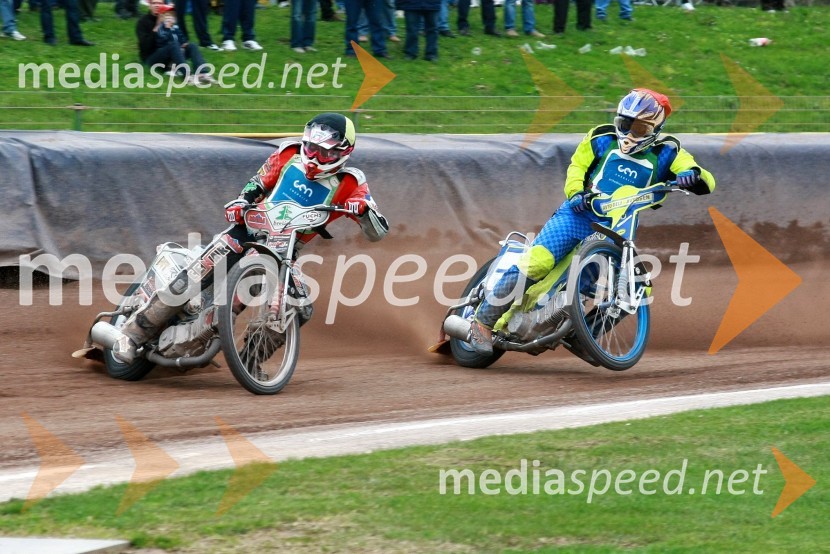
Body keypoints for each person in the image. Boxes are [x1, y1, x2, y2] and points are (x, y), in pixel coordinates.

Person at [112, 113, 391, 364]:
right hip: (249, 229)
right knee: (198, 273)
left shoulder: (352, 182)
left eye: (324, 153)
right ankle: (132, 334)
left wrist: (364, 211)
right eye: (312, 148)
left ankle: (249, 360)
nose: (315, 157)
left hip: (285, 249)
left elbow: (378, 232)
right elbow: (258, 182)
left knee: (300, 306)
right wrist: (242, 201)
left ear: (344, 152)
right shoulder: (289, 154)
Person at [468, 89, 716, 355]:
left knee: (625, 285)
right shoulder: (601, 137)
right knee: (537, 262)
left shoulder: (667, 151)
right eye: (625, 124)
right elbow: (577, 166)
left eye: (641, 127)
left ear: (656, 128)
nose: (631, 134)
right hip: (577, 214)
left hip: (618, 224)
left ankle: (584, 338)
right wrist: (576, 193)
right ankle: (481, 323)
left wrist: (693, 176)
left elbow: (704, 178)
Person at [137, 2, 216, 83]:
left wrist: (183, 44)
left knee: (192, 45)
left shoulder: (169, 19)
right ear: (149, 5)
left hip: (171, 56)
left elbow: (178, 36)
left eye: (160, 3)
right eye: (154, 3)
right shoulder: (143, 21)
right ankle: (188, 76)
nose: (157, 5)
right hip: (152, 58)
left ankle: (202, 73)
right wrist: (157, 26)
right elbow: (144, 47)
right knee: (174, 45)